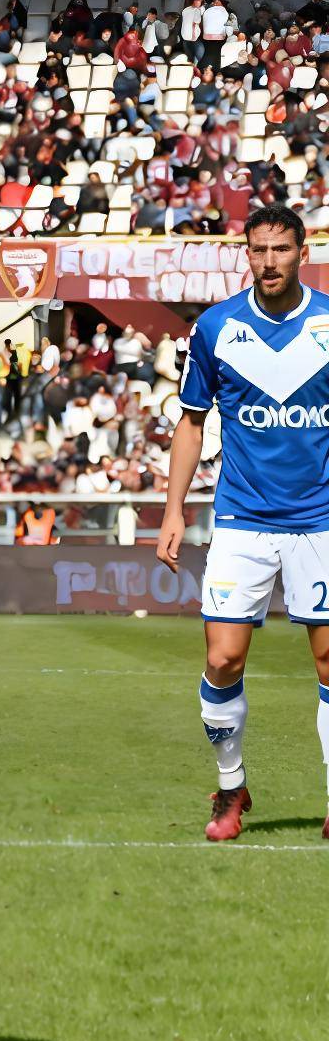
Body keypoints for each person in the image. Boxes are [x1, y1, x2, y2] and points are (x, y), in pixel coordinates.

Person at [157, 204, 329, 841]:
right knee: (223, 659)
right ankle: (231, 787)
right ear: (246, 254)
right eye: (259, 250)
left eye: (281, 249)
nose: (269, 261)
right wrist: (173, 510)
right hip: (242, 518)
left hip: (321, 519)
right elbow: (192, 422)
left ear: (302, 252)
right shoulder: (215, 327)